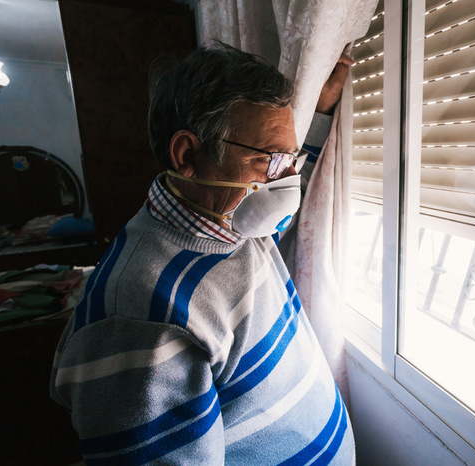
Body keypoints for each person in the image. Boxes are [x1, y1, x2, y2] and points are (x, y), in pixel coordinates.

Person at [50, 43, 355, 465]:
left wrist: (320, 115)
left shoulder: (237, 220)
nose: (285, 182)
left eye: (292, 160)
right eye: (270, 161)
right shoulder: (143, 319)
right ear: (188, 155)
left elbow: (282, 205)